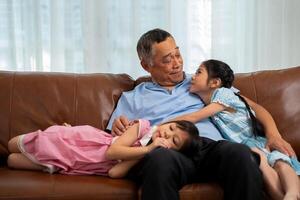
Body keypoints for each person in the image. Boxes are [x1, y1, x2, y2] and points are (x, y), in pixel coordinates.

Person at [106, 28, 296, 200]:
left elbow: (252, 107)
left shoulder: (202, 82)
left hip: (208, 147)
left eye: (178, 54)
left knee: (239, 153)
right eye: (167, 59)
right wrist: (118, 128)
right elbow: (112, 139)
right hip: (167, 150)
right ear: (146, 66)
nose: (177, 63)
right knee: (159, 160)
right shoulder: (133, 97)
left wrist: (273, 135)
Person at [174, 59, 300, 200]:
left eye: (199, 72)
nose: (193, 76)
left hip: (258, 141)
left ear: (214, 82)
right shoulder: (211, 103)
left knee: (281, 162)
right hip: (248, 147)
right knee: (263, 165)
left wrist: (162, 124)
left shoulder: (223, 94)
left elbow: (193, 117)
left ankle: (293, 193)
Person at [7, 119, 199, 178]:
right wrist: (148, 149)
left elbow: (114, 172)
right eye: (171, 128)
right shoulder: (142, 127)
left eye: (174, 141)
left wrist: (148, 152)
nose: (167, 134)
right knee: (11, 144)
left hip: (79, 163)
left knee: (11, 160)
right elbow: (112, 152)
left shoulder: (143, 155)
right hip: (80, 141)